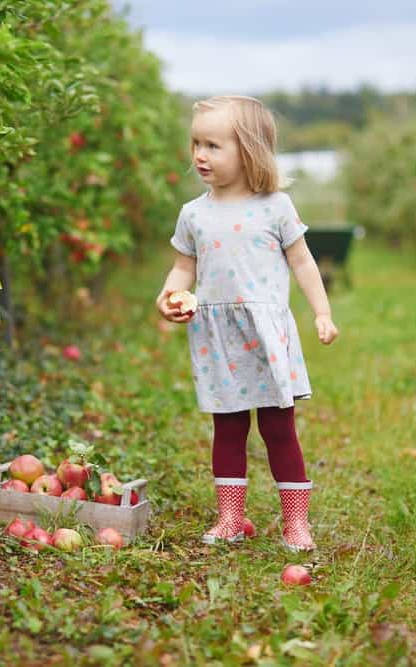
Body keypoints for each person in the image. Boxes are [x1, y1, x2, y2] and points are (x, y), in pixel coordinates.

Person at [155, 95, 338, 551]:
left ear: (249, 150)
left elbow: (303, 263)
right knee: (229, 428)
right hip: (216, 337)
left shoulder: (275, 207)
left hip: (265, 336)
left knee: (279, 429)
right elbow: (184, 267)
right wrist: (168, 295)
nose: (199, 154)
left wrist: (322, 312)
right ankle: (231, 517)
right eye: (196, 143)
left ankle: (295, 523)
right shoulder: (194, 213)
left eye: (213, 145)